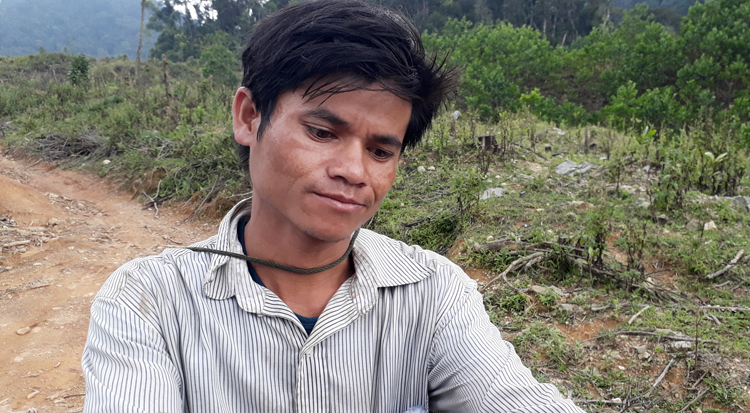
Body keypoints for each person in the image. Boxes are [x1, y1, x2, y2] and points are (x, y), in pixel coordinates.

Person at [81, 1, 585, 412]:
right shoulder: (150, 302)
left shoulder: (433, 294)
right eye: (322, 132)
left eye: (381, 151)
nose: (354, 171)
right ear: (249, 116)